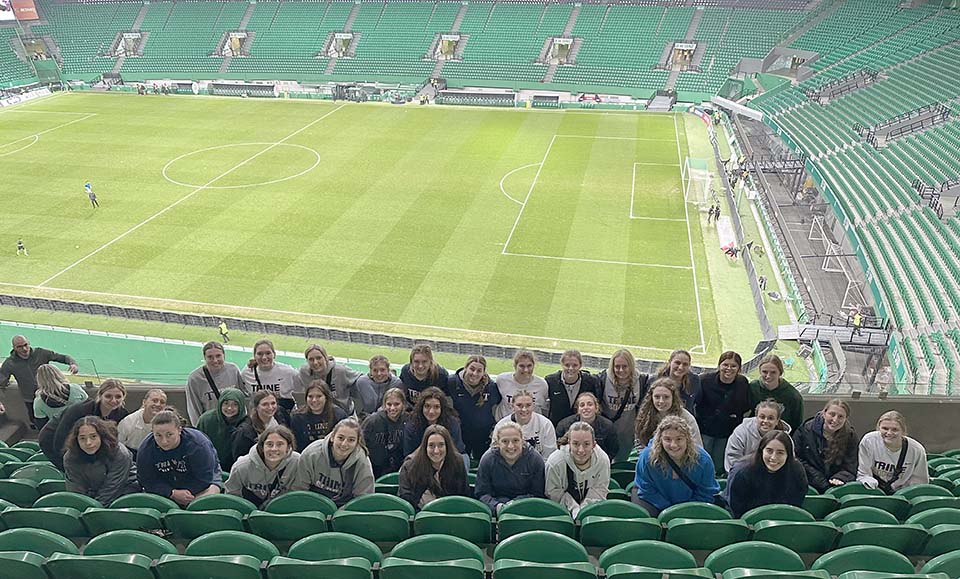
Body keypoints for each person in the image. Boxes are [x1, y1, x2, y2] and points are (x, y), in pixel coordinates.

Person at [632, 415, 719, 517]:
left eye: (679, 439)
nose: (673, 445)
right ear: (660, 440)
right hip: (653, 500)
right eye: (667, 439)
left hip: (691, 503)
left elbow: (706, 492)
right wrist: (669, 510)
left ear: (688, 439)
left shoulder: (703, 460)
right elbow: (645, 487)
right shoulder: (647, 457)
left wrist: (683, 511)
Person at [137, 410, 222, 507]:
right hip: (167, 485)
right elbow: (146, 480)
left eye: (169, 435)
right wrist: (171, 493)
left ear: (179, 430)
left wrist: (185, 494)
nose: (164, 441)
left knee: (208, 496)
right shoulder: (146, 449)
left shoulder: (198, 445)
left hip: (202, 482)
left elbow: (205, 478)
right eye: (158, 435)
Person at [42, 379, 129, 470]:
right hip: (52, 441)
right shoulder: (79, 411)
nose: (113, 400)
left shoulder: (121, 414)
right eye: (108, 396)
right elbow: (60, 440)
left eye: (118, 397)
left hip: (83, 443)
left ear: (123, 397)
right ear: (100, 396)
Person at [724, 431, 808, 518]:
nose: (773, 457)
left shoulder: (797, 471)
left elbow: (795, 505)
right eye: (769, 451)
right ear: (761, 450)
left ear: (788, 455)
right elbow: (734, 508)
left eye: (780, 452)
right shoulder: (741, 471)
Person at [1, 334, 79, 428]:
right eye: (20, 347)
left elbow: (62, 357)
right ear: (14, 348)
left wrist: (73, 364)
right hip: (30, 399)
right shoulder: (9, 363)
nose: (25, 349)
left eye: (26, 345)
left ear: (29, 343)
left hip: (49, 394)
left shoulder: (41, 353)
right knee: (38, 424)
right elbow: (1, 383)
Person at [294, 418, 375, 506]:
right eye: (340, 438)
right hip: (312, 506)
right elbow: (300, 490)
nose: (344, 444)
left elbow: (362, 499)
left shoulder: (362, 462)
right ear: (332, 437)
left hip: (344, 510)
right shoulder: (311, 454)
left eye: (351, 440)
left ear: (357, 442)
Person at [63, 416, 140, 505]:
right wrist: (82, 507)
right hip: (93, 493)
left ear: (102, 436)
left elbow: (112, 488)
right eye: (82, 438)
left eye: (93, 436)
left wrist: (93, 510)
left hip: (124, 491)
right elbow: (75, 490)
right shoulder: (70, 458)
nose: (88, 443)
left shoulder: (121, 453)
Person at [697, 352, 751, 475]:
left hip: (727, 433)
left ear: (739, 368)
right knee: (701, 462)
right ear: (719, 365)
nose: (729, 369)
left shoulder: (742, 383)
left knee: (718, 465)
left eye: (733, 366)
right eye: (725, 364)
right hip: (706, 431)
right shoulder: (705, 380)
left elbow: (745, 405)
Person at [475, 421, 546, 514]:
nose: (510, 446)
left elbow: (538, 493)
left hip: (527, 509)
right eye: (505, 441)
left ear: (522, 440)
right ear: (498, 442)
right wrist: (496, 506)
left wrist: (516, 503)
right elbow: (482, 493)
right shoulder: (488, 459)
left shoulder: (535, 459)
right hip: (496, 511)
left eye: (515, 440)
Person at [546, 421, 610, 517]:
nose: (581, 450)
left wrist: (583, 511)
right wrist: (573, 508)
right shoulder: (555, 462)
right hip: (561, 513)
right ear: (569, 443)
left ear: (594, 444)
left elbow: (600, 489)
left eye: (586, 444)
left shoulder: (602, 460)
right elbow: (552, 492)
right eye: (576, 444)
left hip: (590, 513)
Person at [225, 425, 300, 508]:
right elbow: (231, 497)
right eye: (269, 444)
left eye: (280, 444)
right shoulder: (242, 466)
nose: (274, 449)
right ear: (262, 447)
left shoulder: (297, 463)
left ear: (288, 447)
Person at [793, 399, 858, 493]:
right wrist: (820, 481)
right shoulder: (805, 430)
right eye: (832, 414)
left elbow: (851, 465)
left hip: (836, 485)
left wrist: (840, 477)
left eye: (840, 417)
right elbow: (796, 458)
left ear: (845, 419)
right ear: (824, 413)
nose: (835, 419)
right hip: (808, 482)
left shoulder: (850, 436)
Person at [398, 424, 469, 510]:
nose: (436, 451)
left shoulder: (457, 462)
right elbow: (406, 500)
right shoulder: (409, 466)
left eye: (441, 445)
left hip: (451, 514)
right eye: (431, 445)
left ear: (447, 446)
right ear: (425, 447)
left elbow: (464, 495)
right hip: (420, 516)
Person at [857, 411, 929, 494]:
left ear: (903, 431)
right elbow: (863, 473)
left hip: (901, 493)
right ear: (878, 428)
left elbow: (919, 482)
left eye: (895, 430)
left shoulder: (917, 450)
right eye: (885, 428)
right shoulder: (868, 441)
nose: (889, 433)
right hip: (873, 490)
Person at [447, 355, 501, 460]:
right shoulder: (452, 383)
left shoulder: (491, 388)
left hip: (483, 437)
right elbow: (448, 409)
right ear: (466, 367)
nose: (475, 373)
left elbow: (495, 410)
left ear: (483, 372)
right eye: (472, 369)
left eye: (479, 370)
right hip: (460, 436)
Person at [599, 349, 647, 461]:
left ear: (631, 366)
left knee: (621, 461)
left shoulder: (641, 380)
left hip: (628, 432)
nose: (621, 370)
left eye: (625, 366)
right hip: (607, 431)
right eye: (617, 366)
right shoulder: (603, 379)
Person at [185, 341, 245, 427]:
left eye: (218, 356)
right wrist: (200, 430)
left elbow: (242, 397)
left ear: (224, 355)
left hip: (234, 424)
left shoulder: (233, 370)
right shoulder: (195, 379)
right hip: (211, 426)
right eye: (210, 357)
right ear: (204, 358)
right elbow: (194, 409)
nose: (215, 360)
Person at [724, 400, 792, 474]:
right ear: (756, 417)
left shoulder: (786, 439)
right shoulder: (741, 433)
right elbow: (732, 461)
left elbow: (790, 463)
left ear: (777, 421)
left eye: (770, 418)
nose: (765, 421)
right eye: (762, 417)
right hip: (744, 476)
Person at [634, 378, 702, 449]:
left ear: (673, 398)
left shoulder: (687, 419)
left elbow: (697, 447)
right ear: (651, 397)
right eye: (657, 397)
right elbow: (639, 441)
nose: (661, 401)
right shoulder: (644, 415)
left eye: (666, 397)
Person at [298, 344, 363, 416]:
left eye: (319, 358)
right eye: (311, 359)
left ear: (326, 358)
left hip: (342, 414)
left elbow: (362, 380)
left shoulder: (340, 371)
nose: (315, 362)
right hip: (316, 413)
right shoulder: (304, 373)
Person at [403, 387, 467, 456]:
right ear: (421, 407)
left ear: (442, 408)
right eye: (427, 406)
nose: (431, 411)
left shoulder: (452, 423)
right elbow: (409, 457)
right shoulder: (412, 426)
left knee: (464, 459)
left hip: (449, 459)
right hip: (420, 461)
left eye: (436, 407)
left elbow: (457, 452)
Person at [494, 390, 557, 460]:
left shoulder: (545, 424)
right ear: (512, 406)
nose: (524, 409)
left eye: (528, 405)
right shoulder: (501, 426)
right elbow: (495, 452)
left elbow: (549, 455)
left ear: (533, 406)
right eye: (519, 405)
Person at [241, 339, 301, 413]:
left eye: (268, 353)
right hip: (259, 417)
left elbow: (301, 391)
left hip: (282, 416)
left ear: (274, 354)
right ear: (254, 356)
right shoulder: (247, 373)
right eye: (260, 354)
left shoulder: (289, 372)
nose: (264, 357)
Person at [196, 388, 248, 471]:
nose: (229, 408)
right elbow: (197, 444)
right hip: (210, 467)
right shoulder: (206, 420)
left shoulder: (247, 423)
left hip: (237, 469)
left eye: (235, 404)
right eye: (226, 403)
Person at [556, 392, 619, 460]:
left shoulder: (608, 426)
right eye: (582, 405)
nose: (586, 408)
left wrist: (601, 462)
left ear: (596, 408)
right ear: (578, 410)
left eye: (590, 404)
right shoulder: (564, 424)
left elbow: (613, 450)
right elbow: (558, 447)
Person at [748, 355, 803, 431]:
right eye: (764, 372)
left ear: (780, 373)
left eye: (773, 372)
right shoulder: (753, 387)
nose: (768, 376)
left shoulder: (793, 396)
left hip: (780, 435)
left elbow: (797, 424)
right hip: (755, 433)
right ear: (760, 371)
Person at [289, 380, 348, 452]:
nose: (314, 400)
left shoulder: (339, 415)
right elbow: (296, 446)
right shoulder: (297, 418)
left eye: (319, 396)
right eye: (310, 396)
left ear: (326, 398)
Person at [361, 387, 407, 477]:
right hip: (374, 467)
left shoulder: (408, 421)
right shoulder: (372, 421)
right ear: (384, 405)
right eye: (389, 404)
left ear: (403, 405)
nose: (392, 408)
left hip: (399, 466)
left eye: (397, 404)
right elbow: (360, 441)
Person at [545, 349, 599, 426]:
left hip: (583, 428)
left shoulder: (590, 381)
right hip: (557, 427)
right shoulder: (550, 381)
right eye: (567, 365)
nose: (571, 368)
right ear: (562, 365)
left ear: (580, 365)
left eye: (575, 365)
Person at [233, 390, 290, 462]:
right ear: (256, 407)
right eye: (265, 404)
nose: (270, 407)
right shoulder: (244, 431)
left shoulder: (282, 416)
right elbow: (239, 458)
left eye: (273, 403)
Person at [494, 350, 548, 420]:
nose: (526, 370)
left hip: (530, 426)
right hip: (505, 425)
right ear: (515, 366)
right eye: (521, 366)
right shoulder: (502, 380)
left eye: (529, 366)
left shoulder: (542, 385)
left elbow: (543, 407)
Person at [33, 363, 88, 430]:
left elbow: (42, 426)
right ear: (59, 374)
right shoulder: (75, 388)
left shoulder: (39, 402)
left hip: (61, 432)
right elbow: (88, 406)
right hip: (82, 428)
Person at [117, 388, 168, 453]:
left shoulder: (168, 423)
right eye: (154, 401)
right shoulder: (128, 422)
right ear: (144, 402)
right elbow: (117, 446)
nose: (158, 404)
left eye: (162, 402)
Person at [655, 350, 700, 416]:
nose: (680, 367)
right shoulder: (655, 381)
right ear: (670, 362)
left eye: (685, 364)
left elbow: (698, 400)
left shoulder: (694, 381)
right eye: (677, 363)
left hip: (684, 421)